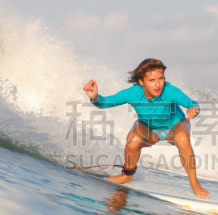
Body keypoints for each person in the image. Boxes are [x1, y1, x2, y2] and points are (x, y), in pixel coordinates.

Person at [83, 58, 210, 199]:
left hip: (175, 127)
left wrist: (193, 109)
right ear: (141, 82)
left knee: (182, 137)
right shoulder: (133, 93)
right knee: (133, 139)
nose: (158, 84)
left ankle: (194, 183)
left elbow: (190, 102)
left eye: (161, 78)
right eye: (151, 80)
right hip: (149, 129)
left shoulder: (170, 91)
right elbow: (104, 103)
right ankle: (127, 175)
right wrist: (94, 97)